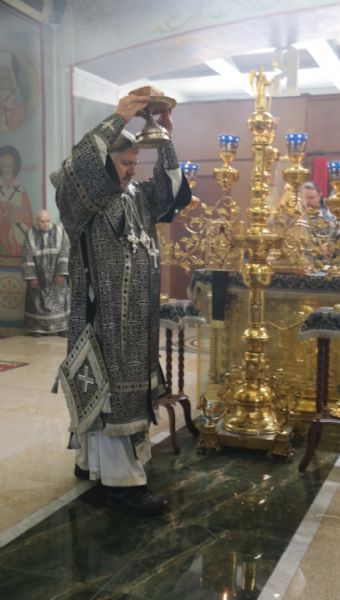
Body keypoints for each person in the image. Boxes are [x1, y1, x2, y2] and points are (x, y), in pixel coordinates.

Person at [50, 92, 191, 515]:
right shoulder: (83, 201)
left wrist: (164, 137)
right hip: (103, 320)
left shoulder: (136, 197)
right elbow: (77, 167)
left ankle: (91, 466)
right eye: (124, 163)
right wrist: (118, 116)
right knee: (111, 397)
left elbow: (171, 191)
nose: (132, 171)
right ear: (104, 164)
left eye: (135, 163)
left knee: (110, 395)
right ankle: (124, 486)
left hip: (135, 322)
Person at [21, 209, 70, 336]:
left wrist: (61, 273)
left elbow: (65, 251)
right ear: (37, 221)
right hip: (39, 276)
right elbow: (27, 255)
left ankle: (62, 328)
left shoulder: (59, 231)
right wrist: (31, 277)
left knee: (60, 301)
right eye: (42, 221)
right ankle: (37, 330)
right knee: (37, 302)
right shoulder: (30, 233)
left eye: (48, 221)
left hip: (56, 276)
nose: (45, 224)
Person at [300, 181, 340, 263]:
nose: (308, 201)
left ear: (319, 196)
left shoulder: (330, 219)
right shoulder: (295, 219)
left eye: (311, 198)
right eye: (305, 198)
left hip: (325, 264)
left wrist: (332, 247)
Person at [0, 145, 33, 256]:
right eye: (4, 166)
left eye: (10, 166)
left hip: (15, 225)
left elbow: (28, 217)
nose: (7, 170)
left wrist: (16, 214)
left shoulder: (20, 190)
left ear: (14, 167)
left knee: (16, 232)